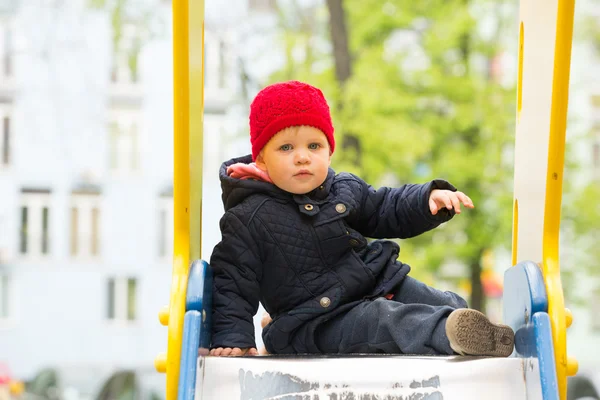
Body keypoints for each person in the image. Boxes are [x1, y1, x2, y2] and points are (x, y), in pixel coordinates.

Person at [208, 80, 514, 357]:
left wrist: (426, 200)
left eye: (314, 146)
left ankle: (475, 327)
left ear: (329, 152)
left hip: (378, 282)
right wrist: (232, 337)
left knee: (433, 299)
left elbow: (386, 207)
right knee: (382, 320)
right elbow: (233, 281)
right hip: (317, 321)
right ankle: (451, 333)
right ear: (261, 157)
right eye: (286, 147)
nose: (302, 156)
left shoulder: (344, 188)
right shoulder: (248, 217)